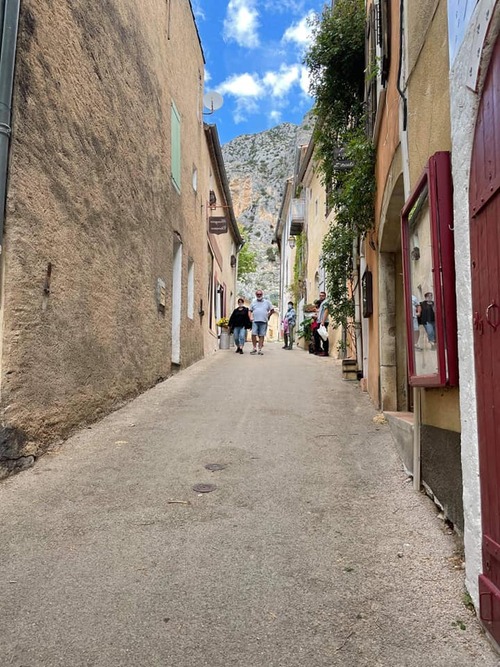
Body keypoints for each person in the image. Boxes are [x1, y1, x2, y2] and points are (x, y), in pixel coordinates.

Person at [249, 289, 274, 355]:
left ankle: (259, 349)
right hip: (255, 321)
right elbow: (249, 310)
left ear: (262, 295)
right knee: (253, 334)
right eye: (258, 294)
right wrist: (250, 317)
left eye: (260, 294)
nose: (259, 295)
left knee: (261, 335)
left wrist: (268, 316)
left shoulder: (267, 302)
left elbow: (272, 310)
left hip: (263, 321)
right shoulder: (253, 302)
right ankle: (254, 348)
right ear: (256, 295)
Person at [313, 291, 330, 356]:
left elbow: (326, 311)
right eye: (320, 295)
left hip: (323, 322)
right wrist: (316, 317)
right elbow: (321, 313)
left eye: (322, 296)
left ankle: (325, 351)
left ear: (325, 296)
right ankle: (318, 350)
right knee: (316, 335)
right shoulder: (322, 303)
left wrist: (323, 321)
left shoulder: (325, 302)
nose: (321, 297)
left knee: (324, 336)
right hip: (319, 321)